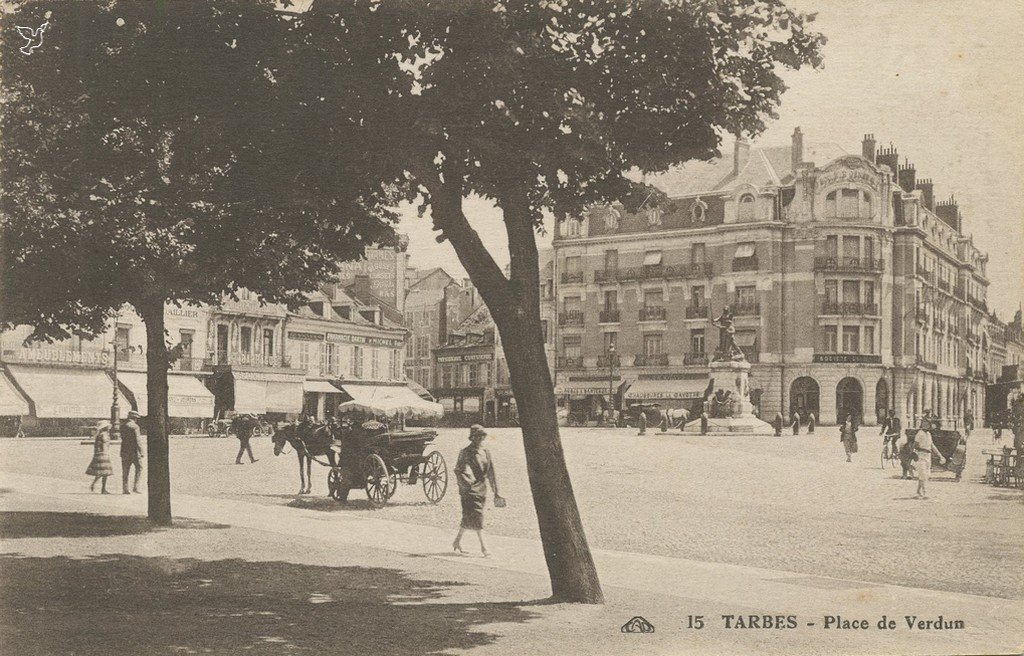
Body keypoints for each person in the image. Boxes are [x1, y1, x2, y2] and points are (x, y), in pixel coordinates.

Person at [452, 425, 503, 557]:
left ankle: (457, 541)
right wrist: (468, 483)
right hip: (469, 488)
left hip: (482, 487)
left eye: (482, 436)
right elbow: (459, 470)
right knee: (477, 515)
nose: (480, 439)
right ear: (472, 437)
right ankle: (484, 547)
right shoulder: (466, 452)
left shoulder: (486, 451)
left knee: (470, 515)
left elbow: (491, 472)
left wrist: (496, 491)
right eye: (477, 436)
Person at [912, 425, 946, 499]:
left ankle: (918, 491)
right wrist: (922, 450)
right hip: (920, 456)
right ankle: (925, 493)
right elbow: (914, 445)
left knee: (925, 475)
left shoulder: (928, 434)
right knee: (923, 474)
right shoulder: (920, 433)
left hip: (928, 457)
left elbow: (932, 446)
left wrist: (940, 456)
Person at [85, 420, 114, 494]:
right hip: (103, 454)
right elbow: (104, 444)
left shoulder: (99, 434)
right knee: (105, 472)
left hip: (98, 453)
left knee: (101, 472)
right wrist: (106, 453)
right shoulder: (104, 435)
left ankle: (94, 484)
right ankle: (103, 489)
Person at [120, 410, 145, 494]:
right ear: (135, 418)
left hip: (124, 451)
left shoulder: (122, 426)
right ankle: (136, 487)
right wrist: (141, 451)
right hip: (134, 452)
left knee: (125, 471)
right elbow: (137, 440)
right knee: (139, 468)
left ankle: (125, 488)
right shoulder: (135, 427)